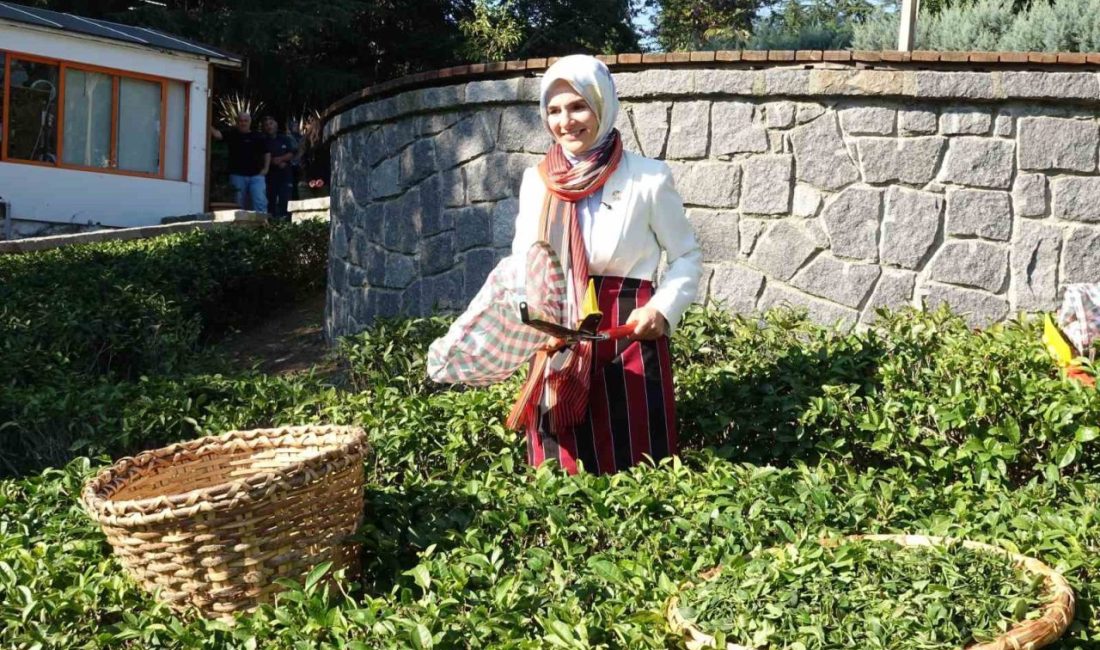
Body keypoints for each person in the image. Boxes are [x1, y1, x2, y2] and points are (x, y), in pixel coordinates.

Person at [507, 55, 702, 475]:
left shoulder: (648, 178)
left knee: (635, 457)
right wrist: (526, 313)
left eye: (578, 106)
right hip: (558, 332)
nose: (566, 121)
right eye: (554, 110)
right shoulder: (537, 182)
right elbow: (525, 260)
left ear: (602, 105)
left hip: (628, 332)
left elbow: (686, 255)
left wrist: (662, 310)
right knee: (559, 463)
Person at [211, 112, 269, 213]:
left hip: (256, 176)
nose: (243, 123)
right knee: (238, 205)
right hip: (237, 175)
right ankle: (240, 227)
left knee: (260, 202)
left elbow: (267, 153)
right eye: (241, 121)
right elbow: (217, 135)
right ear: (237, 122)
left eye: (245, 121)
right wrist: (205, 120)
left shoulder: (258, 136)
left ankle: (263, 226)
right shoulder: (232, 134)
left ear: (250, 122)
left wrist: (266, 169)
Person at [261, 115, 297, 222]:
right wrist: (273, 162)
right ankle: (271, 225)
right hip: (270, 177)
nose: (269, 126)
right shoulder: (263, 140)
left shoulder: (285, 138)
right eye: (266, 125)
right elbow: (261, 156)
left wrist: (280, 159)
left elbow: (292, 153)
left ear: (276, 124)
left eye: (271, 123)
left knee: (285, 201)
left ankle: (286, 225)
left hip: (285, 176)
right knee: (270, 202)